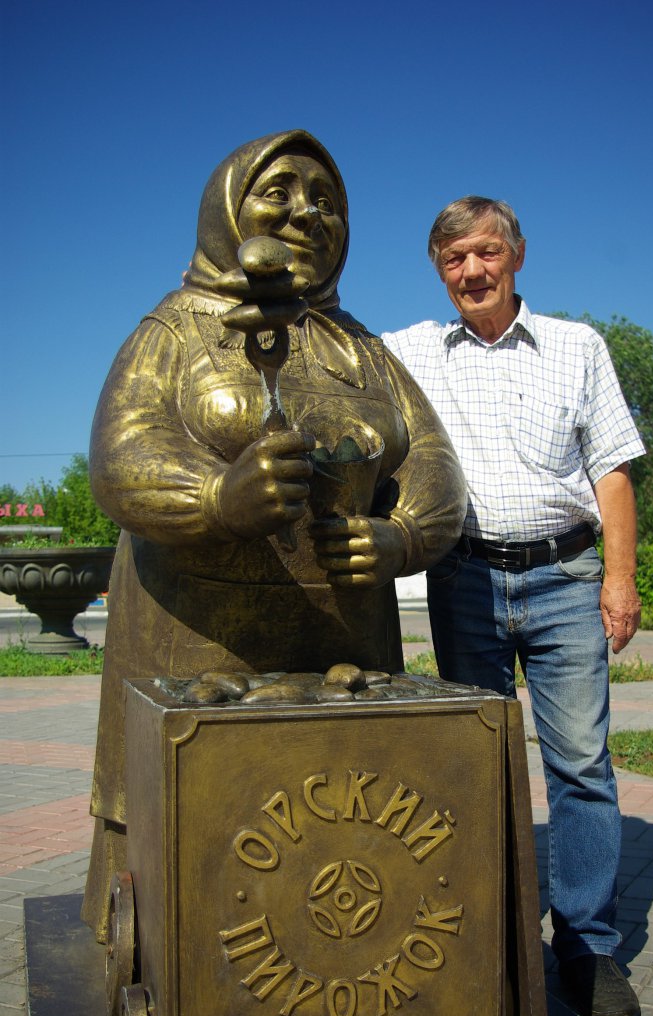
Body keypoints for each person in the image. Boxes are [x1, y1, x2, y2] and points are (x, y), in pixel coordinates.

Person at [81, 131, 466, 943]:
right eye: (279, 192)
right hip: (194, 637)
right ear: (228, 209)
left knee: (341, 845)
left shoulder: (362, 347)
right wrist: (216, 497)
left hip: (343, 644)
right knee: (186, 849)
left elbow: (433, 460)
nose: (307, 213)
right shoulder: (176, 328)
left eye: (326, 201)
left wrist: (399, 536)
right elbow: (122, 453)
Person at [383, 196, 646, 1016]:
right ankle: (489, 934)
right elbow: (331, 352)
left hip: (566, 576)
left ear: (517, 255)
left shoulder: (577, 346)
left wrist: (619, 577)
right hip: (463, 580)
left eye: (486, 252)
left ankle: (587, 944)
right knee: (478, 764)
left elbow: (611, 469)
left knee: (580, 764)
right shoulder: (411, 351)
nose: (472, 271)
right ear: (439, 272)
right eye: (454, 259)